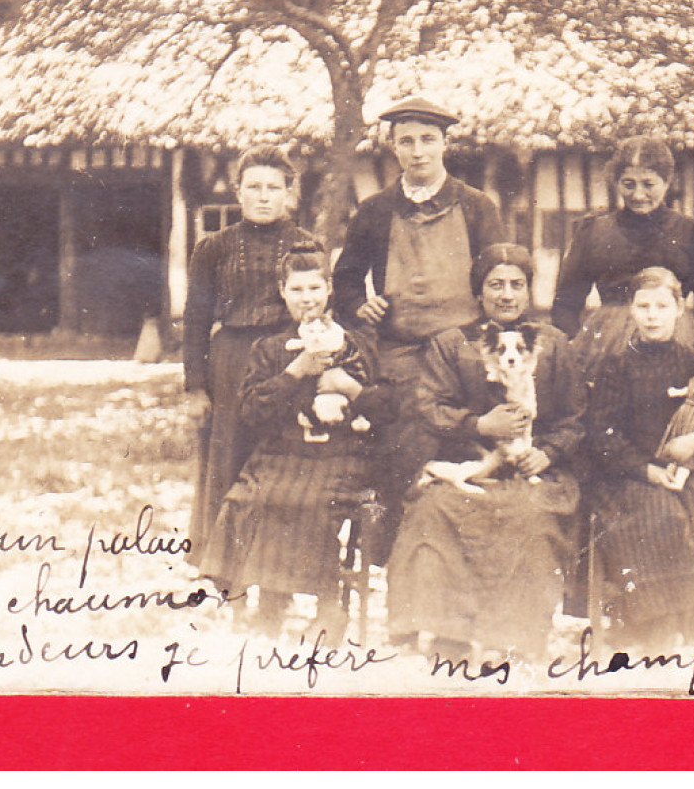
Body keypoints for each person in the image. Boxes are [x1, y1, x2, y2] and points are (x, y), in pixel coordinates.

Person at [386, 244, 585, 662]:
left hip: (534, 473)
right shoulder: (451, 343)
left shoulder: (552, 344)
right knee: (436, 510)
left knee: (530, 519)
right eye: (496, 284)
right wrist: (477, 424)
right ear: (479, 291)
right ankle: (447, 635)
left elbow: (576, 419)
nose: (507, 295)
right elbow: (429, 407)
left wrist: (548, 453)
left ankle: (512, 639)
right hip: (467, 465)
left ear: (530, 292)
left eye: (517, 285)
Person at [332, 95, 506, 535]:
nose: (418, 151)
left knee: (469, 424)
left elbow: (501, 277)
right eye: (406, 141)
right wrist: (358, 304)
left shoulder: (476, 207)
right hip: (401, 350)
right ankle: (402, 526)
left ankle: (467, 526)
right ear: (393, 148)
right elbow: (346, 281)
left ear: (445, 143)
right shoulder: (374, 211)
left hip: (466, 349)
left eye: (428, 140)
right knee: (405, 419)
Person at [196, 244, 386, 637]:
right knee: (249, 499)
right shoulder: (268, 349)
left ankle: (329, 604)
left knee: (313, 502)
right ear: (282, 291)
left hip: (340, 455)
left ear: (329, 290)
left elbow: (384, 405)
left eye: (315, 288)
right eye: (297, 290)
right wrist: (295, 372)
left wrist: (347, 387)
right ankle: (269, 601)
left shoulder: (355, 343)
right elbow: (250, 412)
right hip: (281, 452)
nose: (307, 300)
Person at [583, 266, 694, 654]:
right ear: (631, 310)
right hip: (633, 474)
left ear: (680, 309)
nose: (652, 315)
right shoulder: (616, 368)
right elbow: (602, 433)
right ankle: (653, 618)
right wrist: (646, 470)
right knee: (660, 517)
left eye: (662, 306)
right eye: (643, 306)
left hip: (693, 470)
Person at [181, 148, 320, 553]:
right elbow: (195, 320)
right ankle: (226, 565)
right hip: (229, 364)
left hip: (288, 359)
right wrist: (195, 387)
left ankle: (277, 562)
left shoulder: (307, 245)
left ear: (289, 194)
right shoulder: (213, 248)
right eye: (253, 187)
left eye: (273, 188)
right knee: (228, 463)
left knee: (280, 460)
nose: (263, 196)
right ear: (238, 193)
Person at [551, 135, 694, 383]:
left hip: (674, 344)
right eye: (628, 184)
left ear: (667, 181)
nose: (638, 195)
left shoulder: (693, 232)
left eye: (648, 184)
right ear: (616, 183)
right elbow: (565, 302)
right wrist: (579, 345)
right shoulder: (593, 231)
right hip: (606, 349)